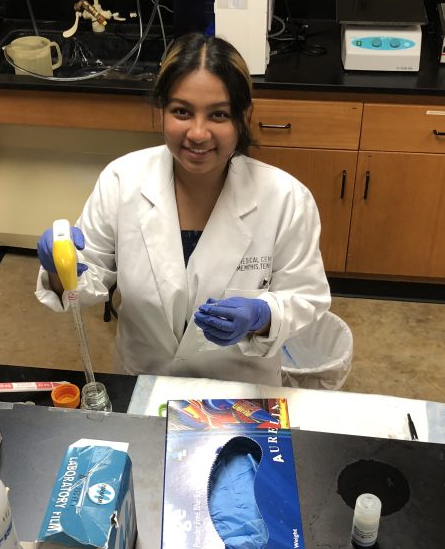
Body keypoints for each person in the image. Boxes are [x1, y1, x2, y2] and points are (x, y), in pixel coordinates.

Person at [35, 33, 330, 385]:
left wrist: (263, 315)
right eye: (182, 112)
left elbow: (306, 298)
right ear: (162, 110)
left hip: (240, 389)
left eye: (218, 114)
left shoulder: (286, 199)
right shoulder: (122, 180)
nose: (198, 133)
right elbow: (84, 285)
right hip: (145, 377)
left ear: (243, 116)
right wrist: (59, 268)